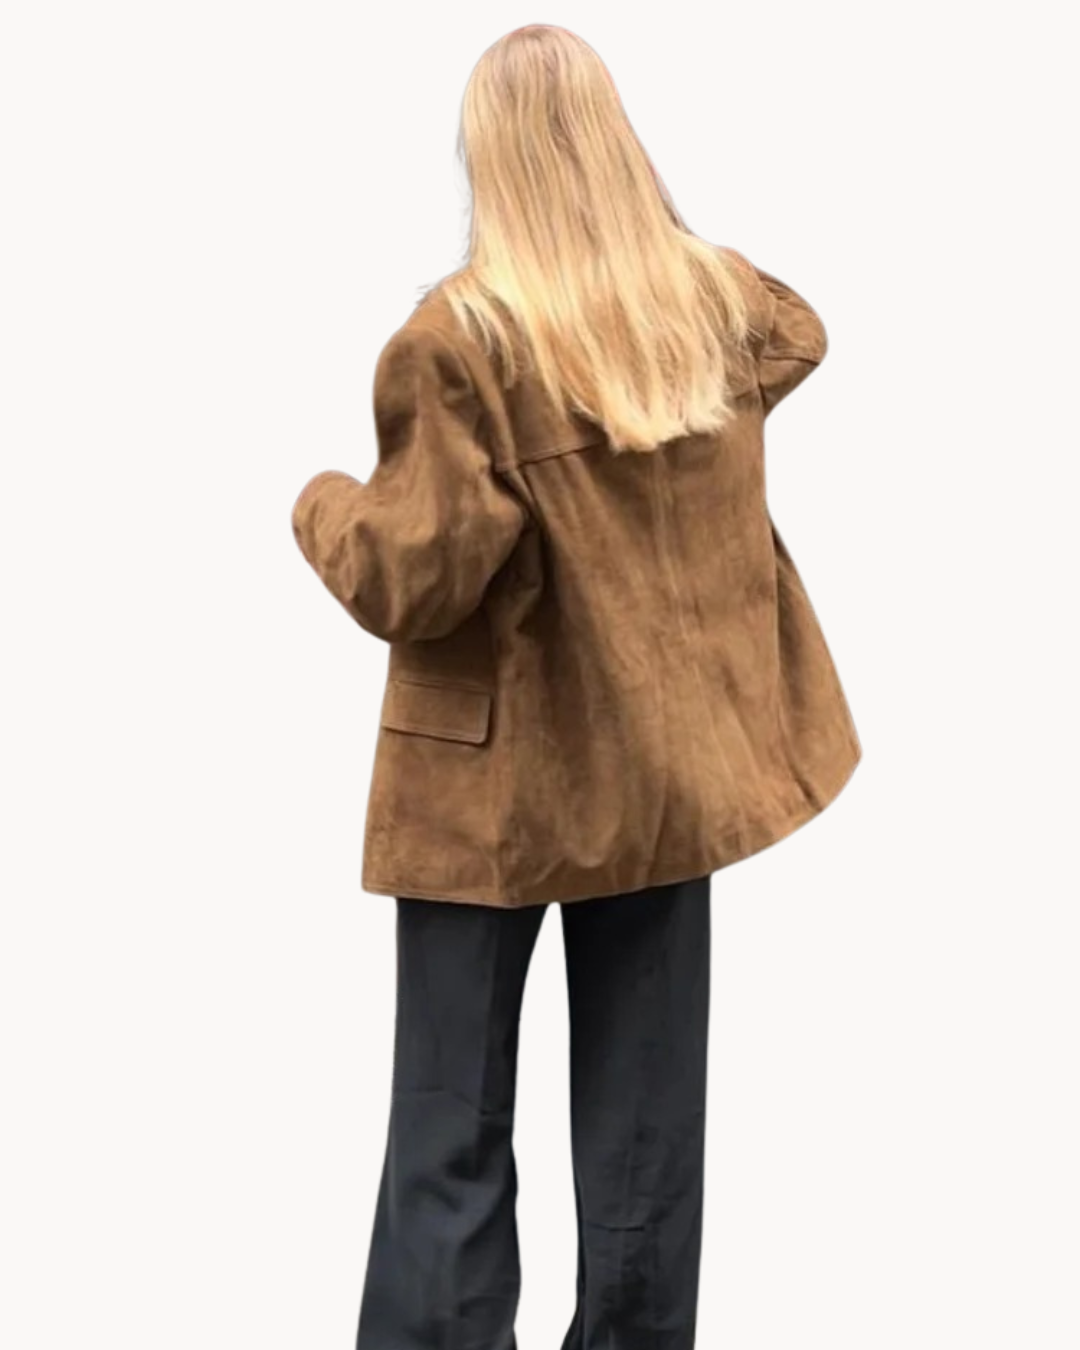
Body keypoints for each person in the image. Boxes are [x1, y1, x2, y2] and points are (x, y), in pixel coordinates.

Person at [290, 23, 862, 1350]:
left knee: (450, 1124)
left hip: (490, 791)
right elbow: (799, 331)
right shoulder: (704, 307)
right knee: (645, 1123)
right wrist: (653, 256)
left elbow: (413, 579)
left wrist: (321, 505)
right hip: (662, 773)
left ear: (489, 156)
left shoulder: (458, 344)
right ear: (613, 142)